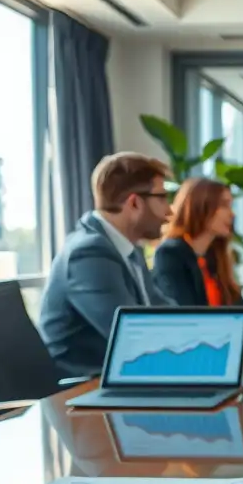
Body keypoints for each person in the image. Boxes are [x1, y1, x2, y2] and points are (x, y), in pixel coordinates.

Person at [39, 152, 173, 378]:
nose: (169, 212)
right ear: (134, 203)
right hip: (81, 388)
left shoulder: (128, 250)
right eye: (161, 198)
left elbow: (163, 310)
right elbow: (131, 337)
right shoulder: (89, 254)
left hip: (118, 377)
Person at [153, 176, 243, 331]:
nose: (232, 214)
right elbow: (188, 322)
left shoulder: (212, 255)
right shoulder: (170, 254)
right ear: (200, 206)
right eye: (224, 205)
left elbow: (237, 304)